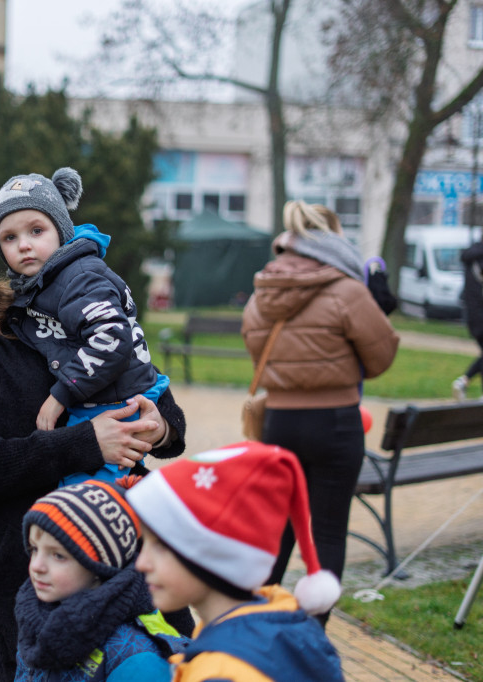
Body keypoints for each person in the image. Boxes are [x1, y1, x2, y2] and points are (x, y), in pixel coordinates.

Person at [0, 172, 188, 682]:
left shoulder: (29, 319)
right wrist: (85, 443)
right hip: (18, 570)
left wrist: (162, 427)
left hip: (123, 544)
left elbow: (137, 379)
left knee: (158, 663)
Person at [241, 200, 398, 619]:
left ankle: (256, 624)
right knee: (327, 532)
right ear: (332, 239)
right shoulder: (347, 291)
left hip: (279, 423)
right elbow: (381, 358)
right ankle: (314, 635)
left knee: (280, 530)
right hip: (335, 423)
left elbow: (257, 354)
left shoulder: (263, 291)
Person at [0, 168, 168, 486]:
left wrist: (61, 395)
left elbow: (110, 337)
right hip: (101, 396)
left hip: (115, 401)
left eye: (36, 231)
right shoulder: (43, 284)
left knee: (88, 494)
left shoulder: (79, 277)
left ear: (60, 230)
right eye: (9, 237)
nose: (24, 245)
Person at [126, 442, 345, 682]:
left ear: (212, 556)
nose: (142, 563)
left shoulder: (221, 672)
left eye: (161, 545)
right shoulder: (280, 618)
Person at [15, 478, 191, 681]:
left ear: (100, 567)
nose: (36, 566)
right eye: (34, 549)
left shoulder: (135, 658)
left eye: (58, 555)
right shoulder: (36, 619)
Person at [452, 239, 483, 400]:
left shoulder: (473, 255)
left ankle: (463, 381)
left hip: (473, 315)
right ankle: (463, 381)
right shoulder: (479, 259)